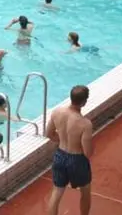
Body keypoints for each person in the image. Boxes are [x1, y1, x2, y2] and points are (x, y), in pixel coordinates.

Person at [46, 85, 94, 215]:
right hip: (77, 160)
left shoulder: (57, 112)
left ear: (71, 97)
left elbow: (49, 133)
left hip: (60, 156)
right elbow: (88, 152)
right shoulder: (85, 124)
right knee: (85, 192)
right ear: (84, 102)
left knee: (56, 193)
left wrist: (62, 140)